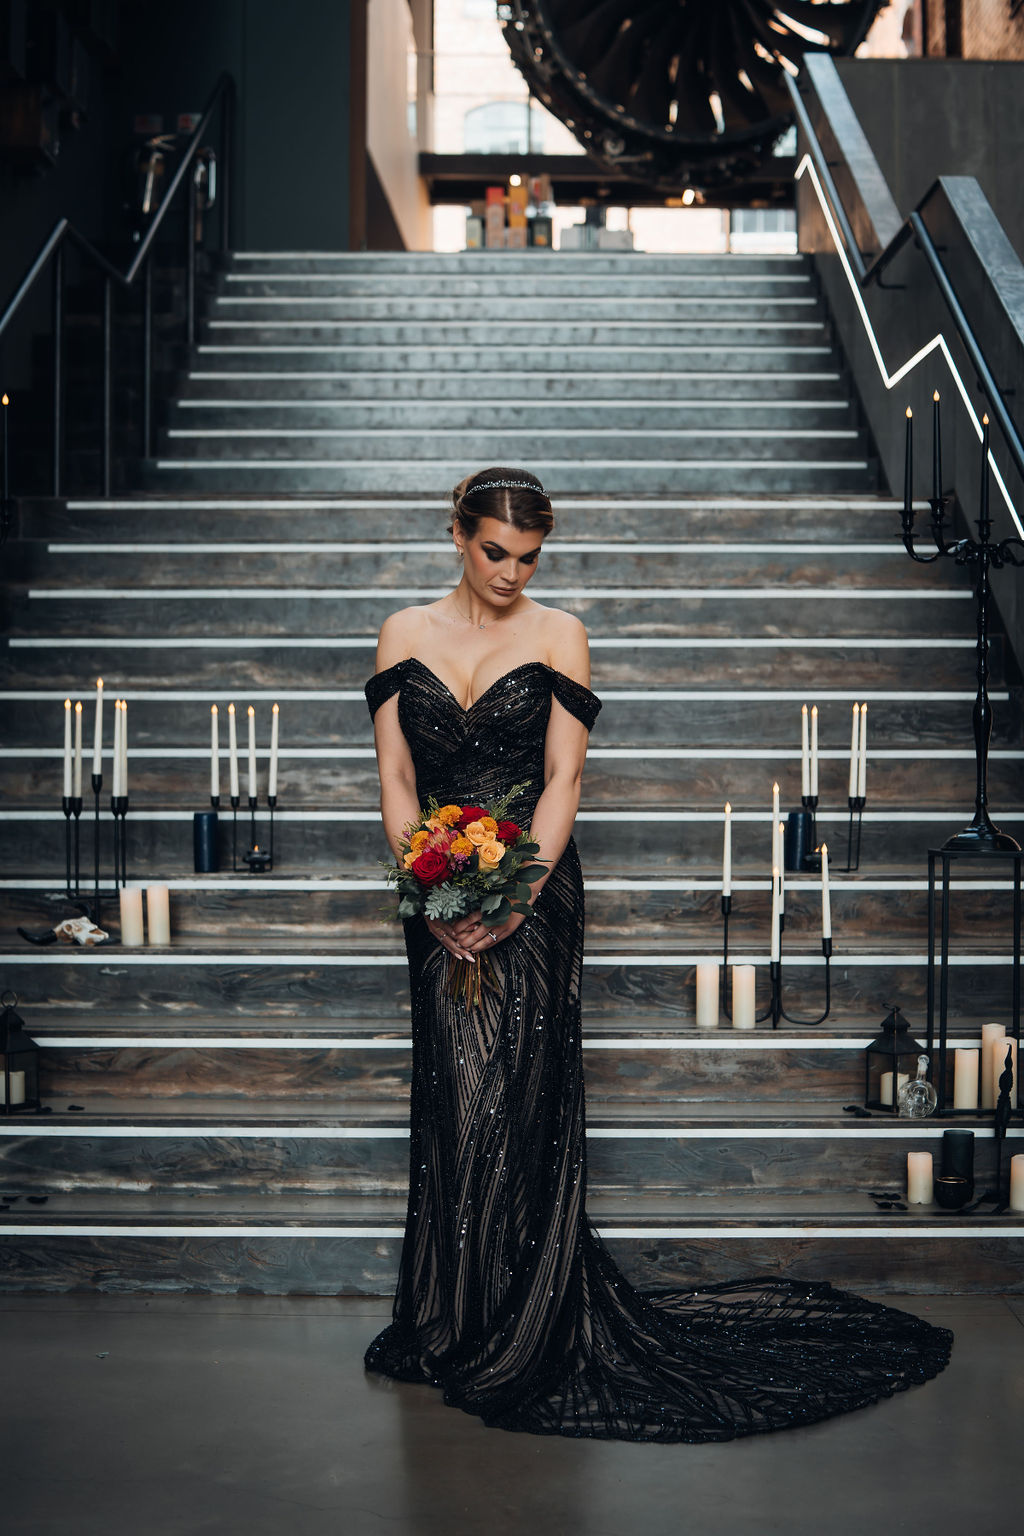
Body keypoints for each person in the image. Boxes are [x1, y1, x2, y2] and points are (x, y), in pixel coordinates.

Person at [362, 466, 952, 1441]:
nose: (512, 573)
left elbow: (563, 779)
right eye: (495, 552)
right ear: (457, 535)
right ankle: (454, 1316)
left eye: (530, 558)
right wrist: (429, 891)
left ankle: (524, 1320)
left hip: (533, 890)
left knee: (521, 1093)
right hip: (433, 891)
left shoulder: (560, 635)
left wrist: (514, 898)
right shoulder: (402, 632)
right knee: (455, 1091)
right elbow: (394, 773)